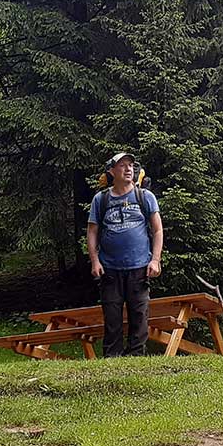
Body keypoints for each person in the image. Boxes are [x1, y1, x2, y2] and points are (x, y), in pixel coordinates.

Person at [87, 152, 163, 357]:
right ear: (112, 171)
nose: (128, 169)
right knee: (112, 317)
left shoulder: (145, 197)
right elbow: (92, 231)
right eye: (122, 165)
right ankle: (111, 360)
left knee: (139, 316)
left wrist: (155, 260)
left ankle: (136, 360)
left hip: (139, 267)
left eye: (131, 165)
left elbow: (157, 229)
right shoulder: (100, 199)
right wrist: (94, 261)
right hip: (109, 269)